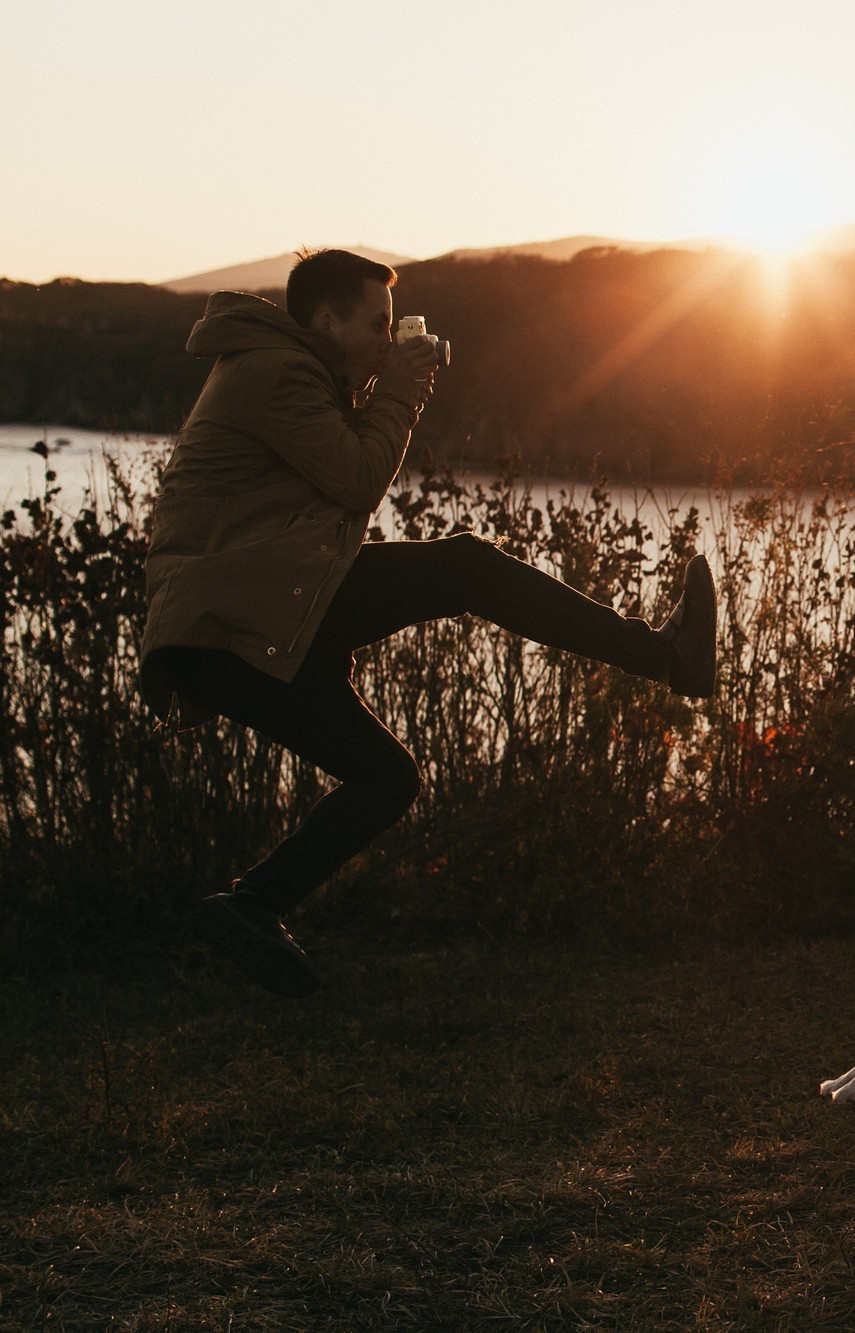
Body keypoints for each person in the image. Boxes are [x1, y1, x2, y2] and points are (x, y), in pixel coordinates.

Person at [140, 249, 717, 998]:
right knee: (465, 567)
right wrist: (403, 394)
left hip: (250, 619)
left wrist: (381, 386)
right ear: (326, 321)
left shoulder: (294, 373)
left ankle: (252, 907)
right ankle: (667, 656)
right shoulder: (275, 375)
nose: (387, 338)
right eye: (375, 324)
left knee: (388, 777)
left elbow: (332, 489)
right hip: (236, 619)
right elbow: (353, 478)